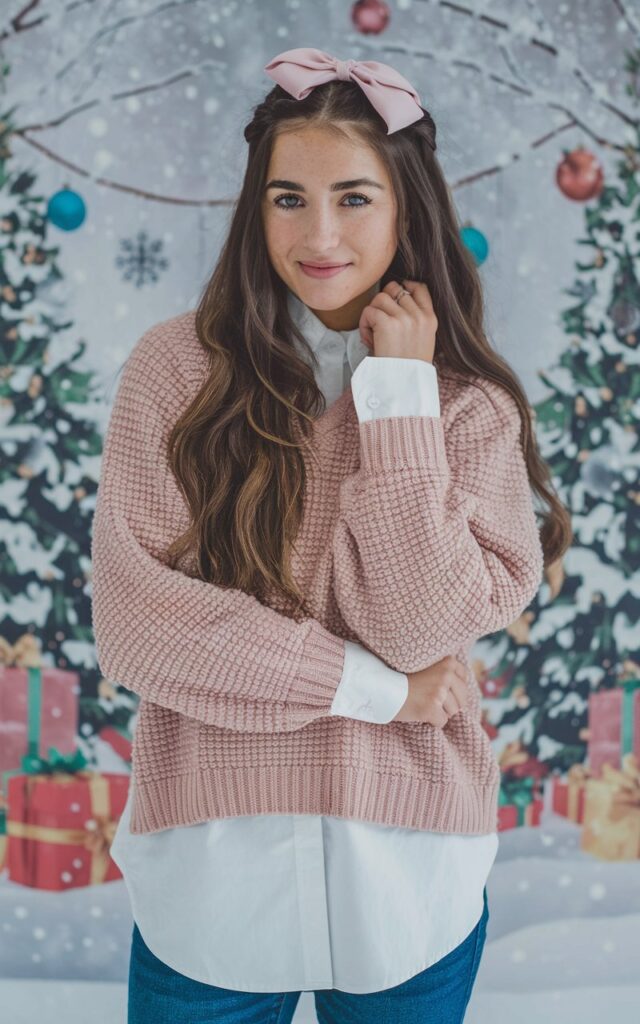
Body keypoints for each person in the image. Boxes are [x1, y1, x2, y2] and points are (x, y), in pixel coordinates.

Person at [92, 46, 571, 1024]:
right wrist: (376, 693)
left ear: (405, 208)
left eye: (353, 198)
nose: (316, 233)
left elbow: (417, 620)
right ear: (253, 207)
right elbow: (144, 626)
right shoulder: (175, 373)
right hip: (211, 889)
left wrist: (396, 402)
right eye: (286, 198)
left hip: (408, 889)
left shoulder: (464, 406)